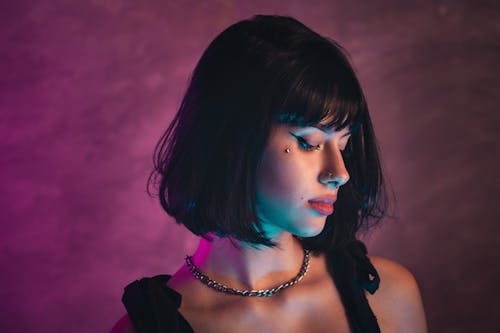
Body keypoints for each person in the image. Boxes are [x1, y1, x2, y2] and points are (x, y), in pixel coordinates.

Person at [110, 15, 427, 333]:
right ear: (231, 139)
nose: (340, 173)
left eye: (342, 146)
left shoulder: (388, 296)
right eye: (308, 143)